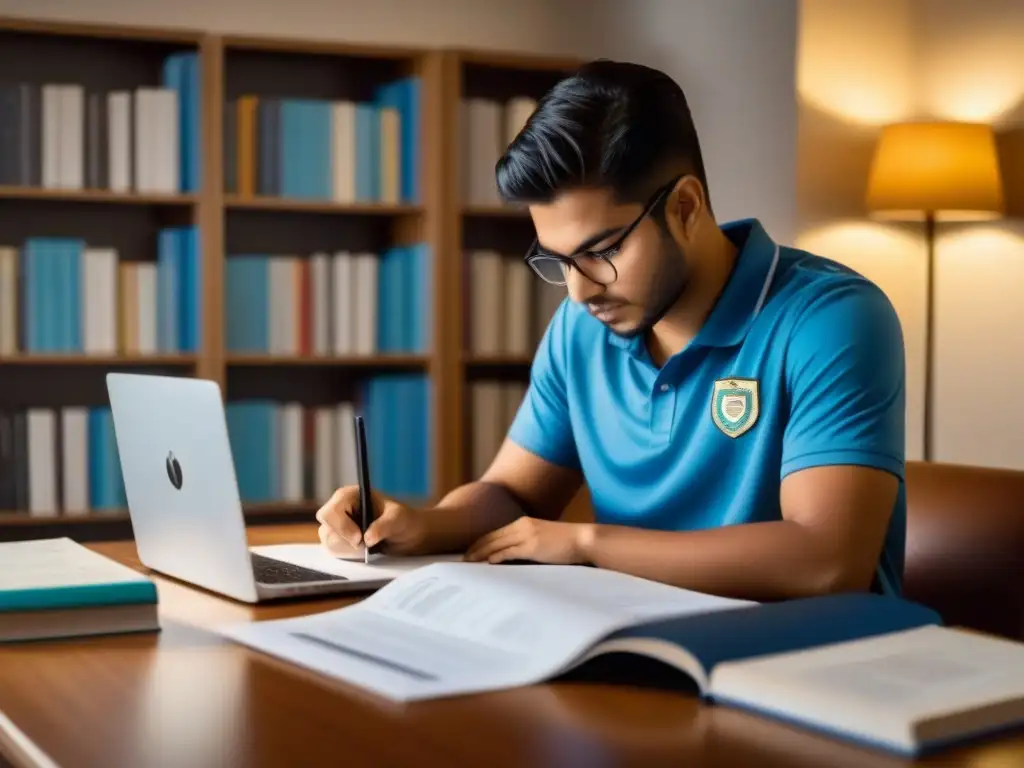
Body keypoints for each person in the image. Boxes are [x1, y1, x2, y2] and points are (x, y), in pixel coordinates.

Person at [316, 59, 907, 601]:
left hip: (810, 667)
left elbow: (827, 562)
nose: (579, 289)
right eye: (558, 259)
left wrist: (587, 546)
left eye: (601, 251)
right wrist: (421, 524)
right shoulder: (581, 327)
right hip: (633, 644)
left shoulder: (832, 319)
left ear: (685, 205)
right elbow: (513, 495)